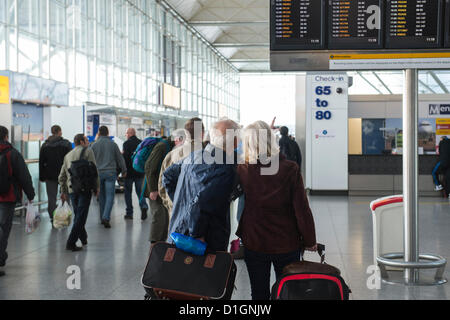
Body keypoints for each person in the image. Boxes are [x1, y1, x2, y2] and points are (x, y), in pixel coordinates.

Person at [236, 121, 317, 300]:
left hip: (255, 240)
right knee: (287, 292)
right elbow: (301, 208)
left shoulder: (243, 170)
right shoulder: (290, 169)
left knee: (258, 292)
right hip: (286, 241)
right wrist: (310, 239)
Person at [163, 119, 240, 252]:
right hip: (203, 242)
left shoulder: (193, 156)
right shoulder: (225, 169)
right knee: (203, 272)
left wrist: (180, 203)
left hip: (178, 234)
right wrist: (197, 234)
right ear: (233, 142)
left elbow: (167, 176)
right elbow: (199, 204)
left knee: (177, 270)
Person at [0, 126, 35, 276]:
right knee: (3, 229)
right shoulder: (12, 153)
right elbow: (23, 176)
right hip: (7, 196)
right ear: (6, 136)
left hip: (7, 196)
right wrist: (30, 193)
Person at [158, 119, 205, 228]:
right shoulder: (210, 157)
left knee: (176, 242)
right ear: (202, 133)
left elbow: (162, 184)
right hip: (201, 216)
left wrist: (171, 205)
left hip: (175, 211)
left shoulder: (172, 155)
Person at [59, 134, 99, 252]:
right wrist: (97, 187)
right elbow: (94, 170)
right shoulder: (88, 152)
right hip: (84, 188)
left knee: (79, 215)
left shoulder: (68, 155)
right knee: (81, 216)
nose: (87, 142)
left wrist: (63, 191)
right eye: (86, 140)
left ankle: (83, 237)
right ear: (81, 142)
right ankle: (71, 242)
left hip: (72, 189)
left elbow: (61, 176)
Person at [91, 126, 127, 228]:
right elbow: (120, 159)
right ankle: (106, 217)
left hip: (98, 174)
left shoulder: (94, 145)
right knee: (110, 196)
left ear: (99, 133)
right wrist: (124, 170)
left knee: (101, 196)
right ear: (107, 133)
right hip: (110, 173)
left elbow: (91, 161)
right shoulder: (113, 144)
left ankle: (102, 217)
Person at [39, 125, 72, 226]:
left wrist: (42, 176)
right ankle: (64, 216)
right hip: (64, 175)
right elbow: (70, 161)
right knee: (65, 195)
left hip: (50, 176)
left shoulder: (45, 145)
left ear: (52, 132)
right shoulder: (66, 144)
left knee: (51, 198)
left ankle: (53, 218)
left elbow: (41, 162)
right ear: (60, 132)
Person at [143, 136, 174, 243]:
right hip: (153, 187)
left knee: (164, 217)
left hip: (161, 187)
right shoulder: (162, 146)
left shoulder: (168, 147)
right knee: (159, 215)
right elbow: (149, 167)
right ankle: (155, 243)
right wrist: (153, 189)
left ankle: (160, 242)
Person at [122, 128, 148, 221]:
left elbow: (125, 159)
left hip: (129, 172)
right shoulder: (141, 143)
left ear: (129, 134)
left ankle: (129, 213)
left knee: (128, 193)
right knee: (140, 192)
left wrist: (123, 171)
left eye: (126, 133)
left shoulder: (126, 144)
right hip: (139, 171)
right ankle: (144, 206)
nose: (126, 135)